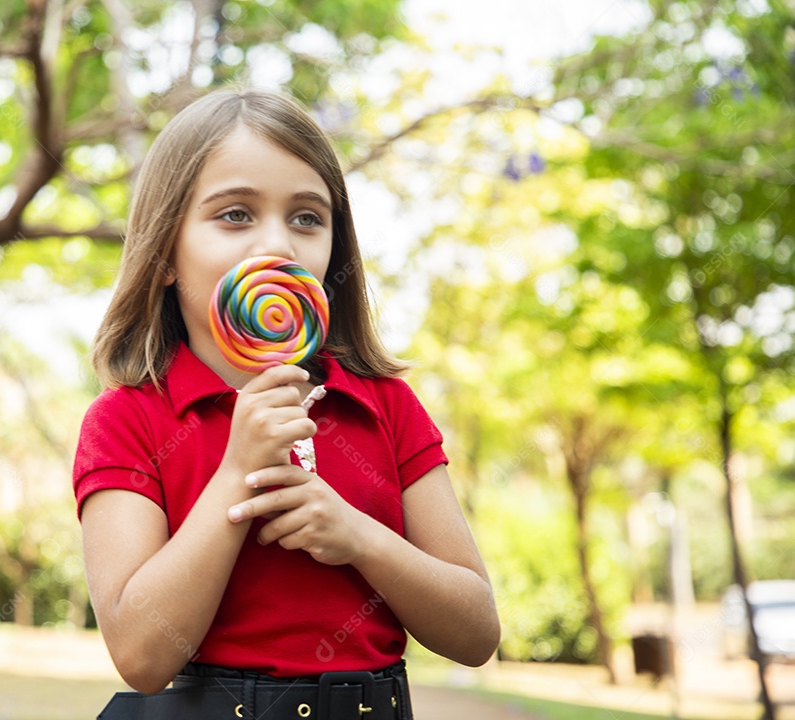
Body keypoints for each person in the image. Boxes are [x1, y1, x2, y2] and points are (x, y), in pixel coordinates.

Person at [72, 88, 500, 720]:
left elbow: (476, 633)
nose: (277, 244)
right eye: (235, 215)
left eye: (306, 217)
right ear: (164, 252)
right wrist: (235, 470)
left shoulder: (385, 406)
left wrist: (357, 535)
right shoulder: (128, 420)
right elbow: (141, 656)